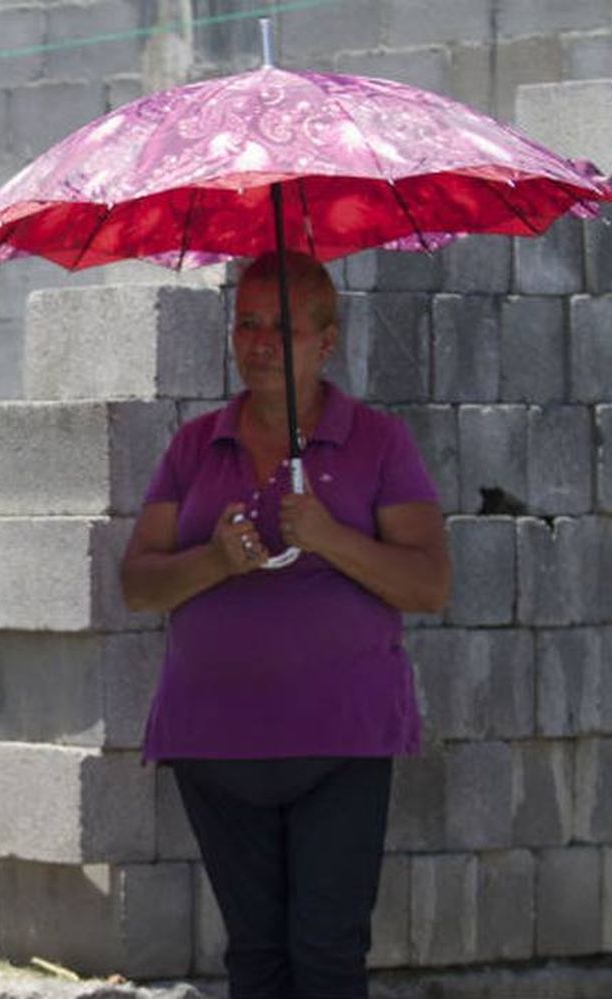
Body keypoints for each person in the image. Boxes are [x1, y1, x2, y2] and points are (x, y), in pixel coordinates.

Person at [120, 251, 450, 998]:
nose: (261, 341)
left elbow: (429, 582)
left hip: (342, 741)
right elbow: (139, 584)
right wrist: (212, 560)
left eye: (284, 325)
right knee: (256, 958)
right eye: (247, 322)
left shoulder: (378, 443)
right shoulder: (194, 446)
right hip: (216, 745)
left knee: (328, 954)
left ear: (327, 342)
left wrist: (331, 536)